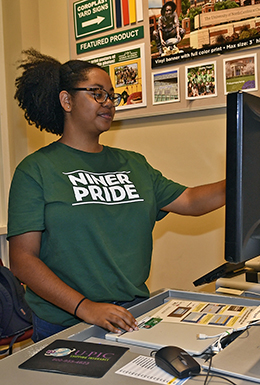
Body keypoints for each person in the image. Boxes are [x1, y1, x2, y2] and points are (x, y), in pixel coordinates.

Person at [8, 49, 225, 342]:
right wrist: (85, 307)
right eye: (97, 93)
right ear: (66, 100)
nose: (108, 103)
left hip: (130, 314)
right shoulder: (36, 169)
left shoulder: (133, 163)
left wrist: (243, 179)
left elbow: (189, 201)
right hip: (63, 321)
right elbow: (23, 260)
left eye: (111, 95)